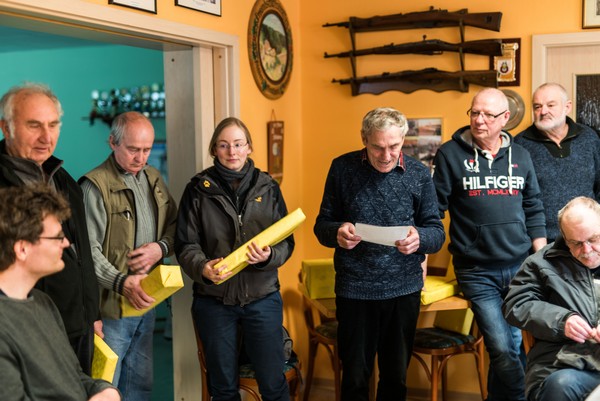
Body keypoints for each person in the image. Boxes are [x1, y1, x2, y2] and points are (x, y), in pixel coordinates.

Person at [314, 107, 445, 401]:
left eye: (394, 146)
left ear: (403, 140)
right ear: (364, 139)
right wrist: (337, 232)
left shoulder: (419, 173)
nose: (386, 155)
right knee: (355, 378)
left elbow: (436, 232)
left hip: (403, 290)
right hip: (355, 289)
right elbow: (321, 225)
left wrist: (420, 239)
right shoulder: (342, 168)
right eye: (377, 147)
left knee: (395, 378)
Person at [432, 87, 548, 401]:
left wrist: (541, 260)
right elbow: (433, 210)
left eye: (488, 115)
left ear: (505, 118)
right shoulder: (450, 154)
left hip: (519, 266)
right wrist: (421, 258)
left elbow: (533, 207)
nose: (479, 120)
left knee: (512, 345)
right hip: (476, 271)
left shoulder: (521, 156)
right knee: (502, 347)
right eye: (474, 112)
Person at [175, 117, 294, 401]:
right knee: (223, 388)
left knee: (273, 385)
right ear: (214, 149)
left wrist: (269, 256)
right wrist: (202, 267)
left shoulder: (268, 187)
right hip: (214, 302)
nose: (232, 152)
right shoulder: (197, 189)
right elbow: (185, 244)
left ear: (249, 147)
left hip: (263, 298)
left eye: (239, 144)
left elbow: (286, 242)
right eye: (224, 145)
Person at [0, 83, 100, 375]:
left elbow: (82, 253)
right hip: (22, 330)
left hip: (77, 326)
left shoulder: (64, 180)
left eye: (53, 125)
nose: (47, 137)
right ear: (6, 127)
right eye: (34, 125)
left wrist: (92, 313)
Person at [80, 111, 177, 400]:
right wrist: (122, 283)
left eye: (147, 150)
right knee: (106, 387)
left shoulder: (153, 177)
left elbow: (176, 226)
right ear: (113, 142)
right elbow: (87, 252)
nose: (141, 158)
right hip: (110, 309)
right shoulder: (94, 186)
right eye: (133, 149)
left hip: (147, 299)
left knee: (140, 384)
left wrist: (161, 248)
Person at [0, 184, 120, 401]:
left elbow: (73, 375)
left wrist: (104, 390)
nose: (66, 243)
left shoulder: (43, 303)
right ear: (22, 248)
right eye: (57, 237)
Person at [503, 197, 600, 401]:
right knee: (561, 385)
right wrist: (561, 320)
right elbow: (515, 304)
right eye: (576, 243)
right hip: (564, 363)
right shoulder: (542, 262)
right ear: (564, 237)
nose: (587, 250)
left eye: (593, 239)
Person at [514, 82, 600, 242]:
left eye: (550, 105)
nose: (543, 111)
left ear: (567, 107)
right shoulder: (519, 145)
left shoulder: (589, 137)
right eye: (537, 106)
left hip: (587, 239)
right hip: (541, 242)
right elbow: (517, 200)